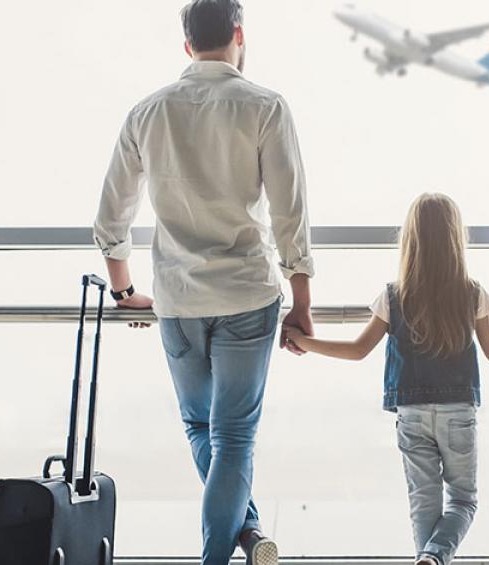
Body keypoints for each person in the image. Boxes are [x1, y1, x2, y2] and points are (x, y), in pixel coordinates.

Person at [91, 1, 315, 564]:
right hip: (248, 293)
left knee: (201, 426)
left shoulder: (149, 111)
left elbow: (111, 220)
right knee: (233, 438)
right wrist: (303, 302)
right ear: (238, 35)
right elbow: (290, 215)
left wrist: (124, 292)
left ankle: (246, 532)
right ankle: (234, 543)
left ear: (187, 45)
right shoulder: (265, 106)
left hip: (178, 299)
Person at [287, 193, 489, 565]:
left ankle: (428, 558)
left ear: (411, 239)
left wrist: (304, 341)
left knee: (423, 500)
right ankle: (433, 557)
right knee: (463, 500)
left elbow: (357, 350)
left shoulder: (394, 295)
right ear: (455, 239)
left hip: (412, 413)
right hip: (458, 413)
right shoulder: (470, 293)